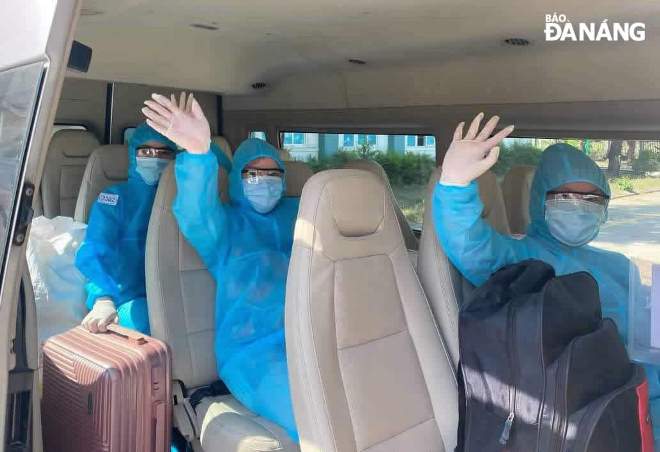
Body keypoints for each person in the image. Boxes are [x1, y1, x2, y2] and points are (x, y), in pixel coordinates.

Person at [433, 112, 659, 442]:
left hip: (645, 384)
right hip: (605, 402)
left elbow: (650, 321)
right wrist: (454, 186)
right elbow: (472, 247)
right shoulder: (525, 262)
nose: (580, 208)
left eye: (591, 199)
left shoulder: (618, 262)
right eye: (565, 197)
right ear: (540, 200)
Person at [141, 92, 299, 440]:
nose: (265, 181)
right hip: (253, 351)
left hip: (311, 335)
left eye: (273, 174)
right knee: (319, 414)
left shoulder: (301, 215)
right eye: (253, 174)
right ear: (238, 181)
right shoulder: (224, 226)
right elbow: (195, 212)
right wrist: (198, 154)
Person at [75, 123, 178, 334]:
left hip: (177, 293)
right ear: (134, 154)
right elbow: (96, 250)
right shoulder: (114, 199)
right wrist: (103, 298)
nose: (155, 158)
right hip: (128, 300)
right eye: (146, 151)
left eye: (164, 152)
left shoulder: (181, 200)